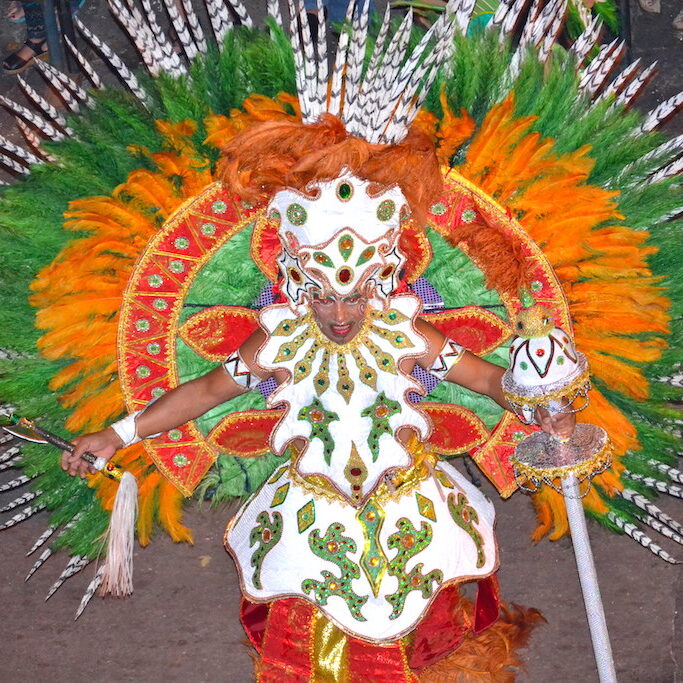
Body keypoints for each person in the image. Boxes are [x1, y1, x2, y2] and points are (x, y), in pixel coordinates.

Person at [59, 115, 574, 679]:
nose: (339, 314)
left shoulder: (408, 333)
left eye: (354, 298)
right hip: (313, 511)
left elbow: (481, 378)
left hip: (410, 506)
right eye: (324, 297)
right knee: (312, 644)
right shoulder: (276, 339)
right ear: (301, 284)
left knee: (428, 638)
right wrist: (117, 433)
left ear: (379, 282)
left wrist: (537, 404)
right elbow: (205, 391)